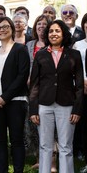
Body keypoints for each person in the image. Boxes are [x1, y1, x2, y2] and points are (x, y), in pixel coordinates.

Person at [29, 19, 83, 173]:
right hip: (44, 105)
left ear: (63, 33)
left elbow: (79, 86)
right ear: (47, 34)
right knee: (45, 146)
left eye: (57, 31)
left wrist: (77, 110)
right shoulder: (40, 55)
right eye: (51, 31)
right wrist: (33, 110)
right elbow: (34, 85)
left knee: (65, 146)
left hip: (66, 106)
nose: (53, 34)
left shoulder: (75, 54)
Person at [0, 16, 30, 173]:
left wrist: (5, 98)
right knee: (0, 141)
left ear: (11, 29)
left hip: (15, 101)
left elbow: (22, 76)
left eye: (5, 27)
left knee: (16, 140)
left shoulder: (20, 49)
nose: (1, 29)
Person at [25, 14, 58, 171]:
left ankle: (52, 163)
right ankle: (39, 159)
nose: (41, 26)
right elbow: (24, 65)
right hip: (30, 90)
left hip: (48, 90)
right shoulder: (29, 45)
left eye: (44, 24)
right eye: (38, 24)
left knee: (51, 127)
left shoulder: (53, 43)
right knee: (34, 124)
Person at [72, 13, 87, 173]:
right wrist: (82, 82)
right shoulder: (78, 45)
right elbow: (75, 67)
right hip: (82, 87)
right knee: (84, 125)